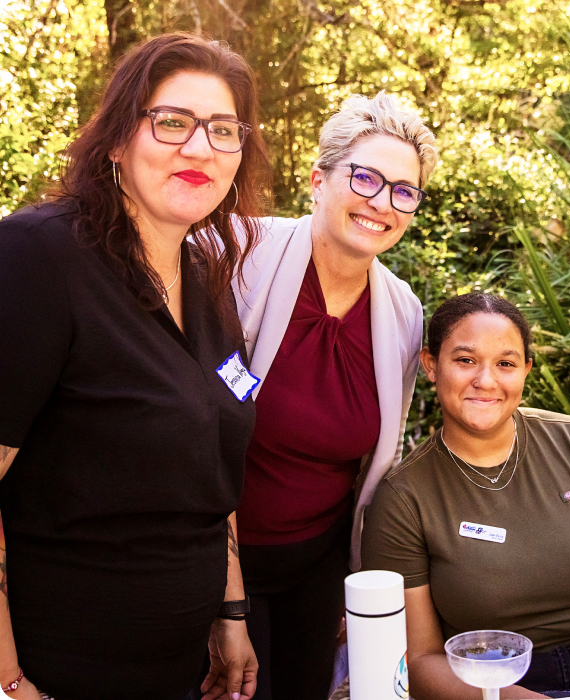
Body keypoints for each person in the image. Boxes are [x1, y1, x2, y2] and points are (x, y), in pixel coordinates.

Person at [0, 33, 271, 700]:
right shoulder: (37, 259)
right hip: (60, 674)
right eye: (172, 121)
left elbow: (212, 468)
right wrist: (7, 680)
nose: (200, 148)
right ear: (117, 140)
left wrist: (230, 610)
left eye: (223, 130)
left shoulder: (205, 275)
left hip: (182, 671)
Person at [230, 92, 439, 700]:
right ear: (319, 180)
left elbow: (379, 462)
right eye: (366, 177)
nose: (382, 203)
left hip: (316, 566)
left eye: (404, 191)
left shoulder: (402, 315)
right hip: (208, 557)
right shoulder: (235, 254)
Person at [362, 293, 570, 700]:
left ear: (525, 370)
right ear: (431, 365)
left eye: (505, 363)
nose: (486, 380)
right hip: (491, 687)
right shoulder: (403, 499)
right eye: (466, 360)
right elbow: (416, 662)